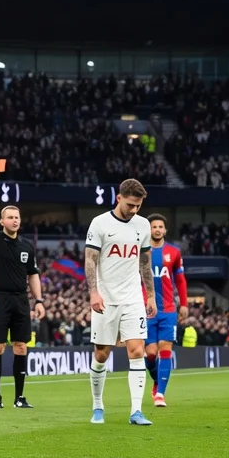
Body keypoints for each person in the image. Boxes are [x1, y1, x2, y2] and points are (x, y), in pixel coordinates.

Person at [84, 178, 155, 426]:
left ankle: (136, 411)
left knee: (137, 351)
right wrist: (94, 292)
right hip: (107, 297)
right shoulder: (100, 223)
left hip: (133, 297)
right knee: (102, 353)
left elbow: (145, 262)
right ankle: (97, 406)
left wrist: (151, 296)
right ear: (119, 198)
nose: (134, 210)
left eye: (138, 206)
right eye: (130, 205)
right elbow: (91, 259)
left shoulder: (143, 225)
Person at [0, 168, 44, 409]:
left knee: (20, 347)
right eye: (10, 217)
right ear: (2, 221)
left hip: (21, 300)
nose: (15, 220)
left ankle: (19, 397)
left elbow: (33, 275)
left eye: (17, 217)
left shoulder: (27, 246)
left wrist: (39, 301)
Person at [145, 214, 187, 407]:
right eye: (154, 226)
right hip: (146, 310)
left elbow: (179, 279)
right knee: (150, 353)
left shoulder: (174, 252)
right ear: (149, 229)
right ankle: (156, 380)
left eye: (161, 226)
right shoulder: (140, 251)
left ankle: (160, 394)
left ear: (165, 230)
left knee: (165, 350)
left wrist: (184, 303)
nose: (157, 229)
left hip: (169, 309)